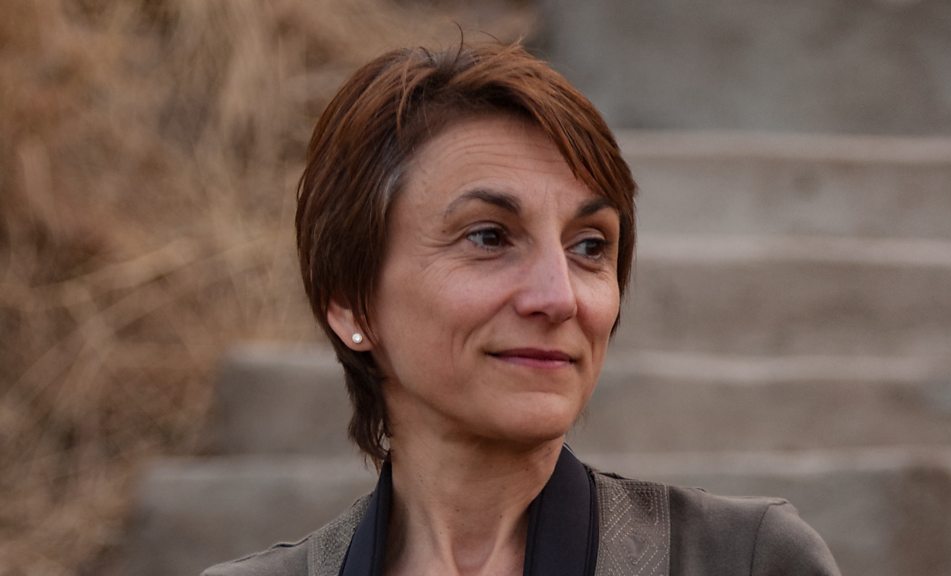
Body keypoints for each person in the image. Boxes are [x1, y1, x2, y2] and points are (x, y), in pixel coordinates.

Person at [203, 41, 840, 576]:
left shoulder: (743, 560)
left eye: (590, 247)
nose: (559, 297)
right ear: (350, 302)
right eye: (489, 237)